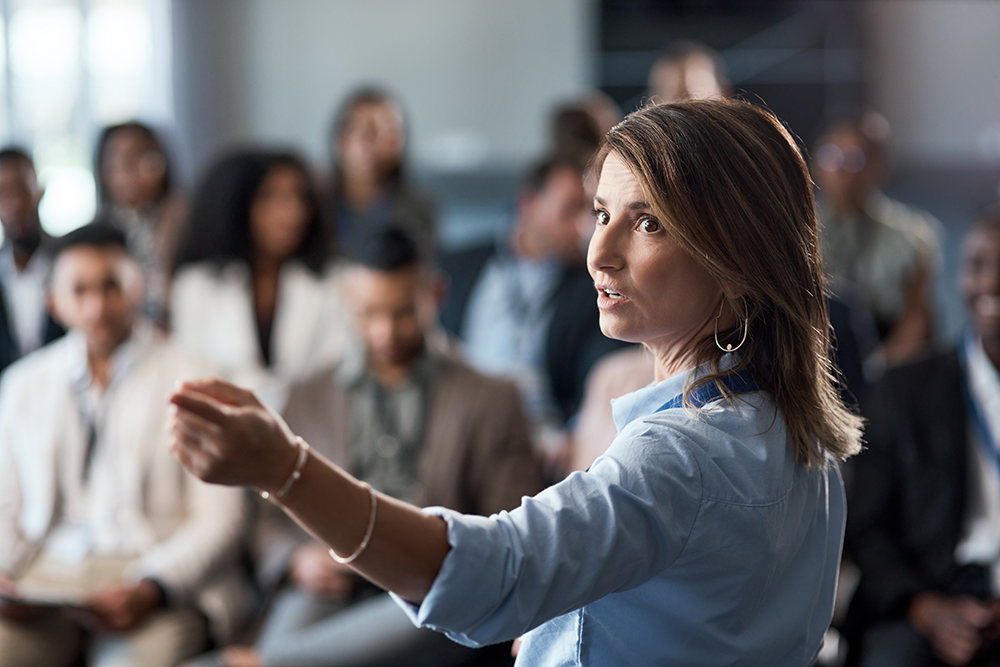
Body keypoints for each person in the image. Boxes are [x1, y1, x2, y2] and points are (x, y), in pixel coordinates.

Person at [168, 99, 864, 665]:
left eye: (648, 222)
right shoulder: (796, 431)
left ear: (738, 261)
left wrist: (284, 467)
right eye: (601, 213)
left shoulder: (680, 456)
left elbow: (484, 575)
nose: (600, 251)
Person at [191, 226, 544, 667]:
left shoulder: (492, 398)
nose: (385, 332)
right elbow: (267, 516)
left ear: (435, 294)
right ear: (347, 300)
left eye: (402, 312)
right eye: (369, 313)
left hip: (433, 583)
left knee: (281, 657)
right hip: (331, 577)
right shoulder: (307, 392)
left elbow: (512, 528)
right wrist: (296, 559)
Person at [0, 225, 248, 667]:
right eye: (79, 290)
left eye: (111, 286)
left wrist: (154, 586)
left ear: (139, 286)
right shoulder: (22, 386)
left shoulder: (196, 378)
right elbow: (6, 504)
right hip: (47, 584)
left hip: (151, 578)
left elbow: (222, 518)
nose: (97, 306)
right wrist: (6, 578)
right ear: (52, 300)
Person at [844, 211, 1000, 667]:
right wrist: (927, 611)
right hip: (924, 597)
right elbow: (867, 527)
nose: (991, 281)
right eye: (978, 264)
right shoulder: (903, 388)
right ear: (960, 277)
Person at [439, 156, 626, 435]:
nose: (582, 229)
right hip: (462, 415)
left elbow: (597, 366)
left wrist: (574, 431)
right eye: (570, 211)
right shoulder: (456, 265)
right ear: (528, 205)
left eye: (589, 214)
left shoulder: (589, 286)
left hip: (538, 429)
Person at [171, 150, 350, 409]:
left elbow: (336, 366)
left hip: (312, 433)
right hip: (224, 432)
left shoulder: (333, 279)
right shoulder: (195, 286)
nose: (293, 212)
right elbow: (194, 372)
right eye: (271, 198)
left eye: (301, 198)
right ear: (238, 205)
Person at [813, 112, 940, 367]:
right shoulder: (799, 229)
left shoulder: (911, 235)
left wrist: (877, 370)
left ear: (879, 167)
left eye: (854, 159)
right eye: (831, 155)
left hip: (886, 358)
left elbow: (917, 319)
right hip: (816, 356)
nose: (840, 169)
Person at [326, 88, 436, 258]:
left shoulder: (420, 209)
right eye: (360, 130)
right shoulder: (315, 200)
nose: (368, 142)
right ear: (340, 138)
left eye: (387, 130)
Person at [96, 122, 187, 323]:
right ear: (104, 171)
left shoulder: (185, 216)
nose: (137, 171)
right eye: (124, 161)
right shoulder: (97, 232)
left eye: (147, 157)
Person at [0, 148, 64, 373]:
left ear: (40, 192)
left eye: (22, 190)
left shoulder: (67, 259)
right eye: (3, 194)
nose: (14, 204)